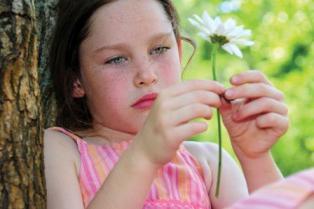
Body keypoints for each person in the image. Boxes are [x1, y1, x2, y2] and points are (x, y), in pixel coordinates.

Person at [45, 0, 289, 208]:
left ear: (179, 52)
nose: (147, 75)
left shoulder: (209, 163)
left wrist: (256, 159)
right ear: (75, 80)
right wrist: (144, 156)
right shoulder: (61, 150)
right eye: (116, 59)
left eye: (159, 48)